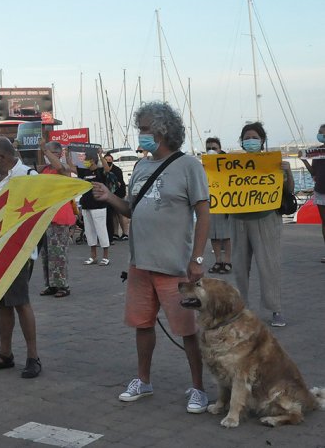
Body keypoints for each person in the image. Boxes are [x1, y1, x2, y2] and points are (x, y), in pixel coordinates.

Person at [91, 101, 209, 414]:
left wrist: (196, 258)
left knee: (186, 330)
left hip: (175, 266)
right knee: (142, 325)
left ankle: (198, 387)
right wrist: (109, 197)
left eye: (144, 129)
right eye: (140, 128)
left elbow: (203, 212)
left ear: (162, 130)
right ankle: (143, 380)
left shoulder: (189, 166)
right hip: (139, 264)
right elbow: (131, 207)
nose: (140, 134)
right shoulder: (141, 167)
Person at [0, 137, 42, 379]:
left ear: (3, 157)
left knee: (20, 302)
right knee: (2, 304)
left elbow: (38, 214)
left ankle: (33, 356)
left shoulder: (28, 176)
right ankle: (5, 353)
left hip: (18, 251)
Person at [231, 122, 293, 327]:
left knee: (269, 265)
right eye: (247, 137)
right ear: (241, 141)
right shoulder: (233, 163)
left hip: (266, 219)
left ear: (262, 140)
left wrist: (288, 171)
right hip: (239, 220)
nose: (250, 141)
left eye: (254, 137)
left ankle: (276, 309)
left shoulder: (273, 162)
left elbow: (288, 190)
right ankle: (241, 308)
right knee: (240, 267)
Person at [38, 141, 76, 297]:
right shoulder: (45, 170)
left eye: (49, 152)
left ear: (58, 154)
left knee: (58, 253)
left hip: (60, 215)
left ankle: (62, 285)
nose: (46, 155)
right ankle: (51, 284)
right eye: (45, 152)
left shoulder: (64, 169)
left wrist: (45, 151)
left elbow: (61, 167)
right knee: (46, 254)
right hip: (45, 216)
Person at [67, 148, 112, 266]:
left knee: (101, 230)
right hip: (87, 205)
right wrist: (68, 152)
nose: (84, 161)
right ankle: (93, 256)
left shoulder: (100, 171)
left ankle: (106, 256)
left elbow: (107, 169)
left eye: (86, 158)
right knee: (89, 231)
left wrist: (100, 154)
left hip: (99, 205)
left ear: (92, 160)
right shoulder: (83, 171)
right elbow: (70, 166)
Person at [204, 138, 232, 274]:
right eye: (208, 147)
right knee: (213, 235)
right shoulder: (204, 165)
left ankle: (227, 261)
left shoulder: (228, 163)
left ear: (220, 148)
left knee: (226, 235)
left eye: (214, 148)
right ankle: (218, 260)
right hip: (211, 203)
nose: (211, 150)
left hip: (225, 202)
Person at [301, 123, 325, 263]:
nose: (320, 134)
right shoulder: (317, 153)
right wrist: (304, 160)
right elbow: (313, 172)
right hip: (320, 190)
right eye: (319, 132)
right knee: (324, 223)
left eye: (322, 132)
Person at [104, 153, 129, 241]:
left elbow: (118, 183)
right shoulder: (102, 170)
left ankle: (125, 233)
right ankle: (115, 233)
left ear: (112, 161)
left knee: (121, 214)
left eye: (110, 160)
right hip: (111, 195)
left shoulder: (117, 170)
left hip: (119, 193)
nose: (108, 162)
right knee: (113, 214)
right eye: (106, 161)